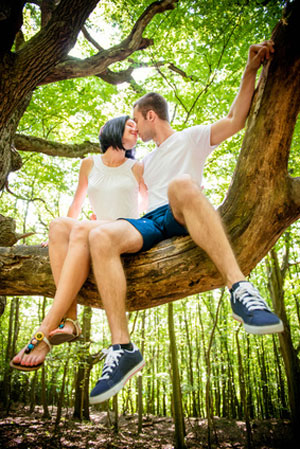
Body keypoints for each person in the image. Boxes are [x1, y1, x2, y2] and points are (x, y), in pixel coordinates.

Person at [88, 41, 283, 405]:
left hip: (184, 210)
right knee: (100, 236)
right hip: (152, 222)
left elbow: (235, 120)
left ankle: (239, 289)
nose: (135, 130)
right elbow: (121, 192)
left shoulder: (190, 138)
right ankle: (121, 347)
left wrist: (250, 69)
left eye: (136, 119)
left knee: (182, 183)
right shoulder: (142, 163)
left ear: (150, 116)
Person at [10, 116, 147, 374]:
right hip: (92, 229)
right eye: (130, 125)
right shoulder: (88, 164)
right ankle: (69, 319)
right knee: (58, 225)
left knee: (80, 227)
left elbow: (147, 205)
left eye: (137, 128)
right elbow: (76, 203)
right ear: (111, 129)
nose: (136, 129)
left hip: (123, 231)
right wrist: (58, 240)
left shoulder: (137, 167)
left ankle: (44, 330)